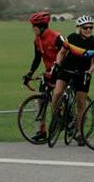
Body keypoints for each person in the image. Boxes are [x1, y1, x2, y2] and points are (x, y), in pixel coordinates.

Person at [49, 15, 94, 146]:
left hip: (83, 72)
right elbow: (61, 52)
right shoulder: (71, 38)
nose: (88, 30)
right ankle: (58, 118)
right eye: (85, 28)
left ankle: (79, 133)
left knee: (81, 103)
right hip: (67, 68)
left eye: (90, 27)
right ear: (79, 28)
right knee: (56, 93)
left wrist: (89, 71)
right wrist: (58, 63)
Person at [23, 11, 65, 142]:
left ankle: (68, 119)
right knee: (41, 100)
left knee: (59, 100)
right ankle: (42, 131)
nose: (32, 29)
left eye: (33, 26)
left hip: (61, 71)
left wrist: (59, 67)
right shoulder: (37, 40)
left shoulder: (56, 37)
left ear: (41, 26)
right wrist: (29, 74)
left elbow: (67, 53)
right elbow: (37, 58)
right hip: (48, 72)